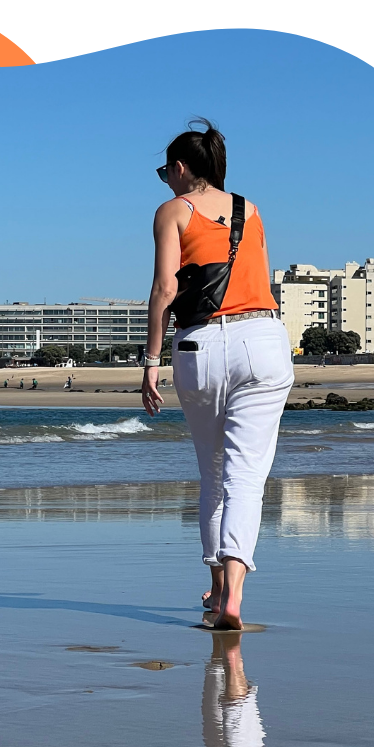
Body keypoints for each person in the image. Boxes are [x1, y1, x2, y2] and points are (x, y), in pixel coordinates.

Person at [141, 119, 294, 630]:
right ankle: (235, 593)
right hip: (262, 341)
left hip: (199, 345)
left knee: (214, 473)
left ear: (181, 168)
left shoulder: (172, 211)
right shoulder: (251, 210)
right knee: (246, 476)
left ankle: (217, 588)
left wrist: (151, 362)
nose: (166, 181)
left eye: (165, 172)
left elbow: (165, 290)